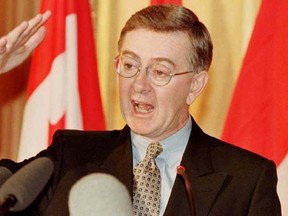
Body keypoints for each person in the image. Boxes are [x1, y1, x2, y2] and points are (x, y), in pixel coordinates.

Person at [0, 4, 281, 216]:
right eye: (130, 65)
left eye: (159, 71)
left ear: (195, 85)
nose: (139, 85)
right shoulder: (70, 156)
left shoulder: (247, 180)